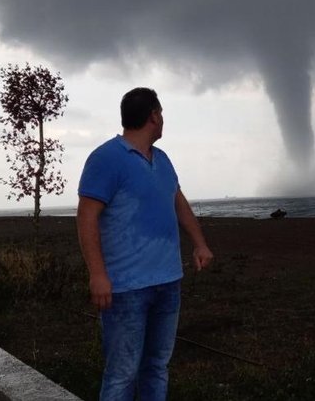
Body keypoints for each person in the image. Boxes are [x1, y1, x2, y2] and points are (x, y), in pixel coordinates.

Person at [77, 87, 214, 401]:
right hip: (126, 289)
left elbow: (178, 203)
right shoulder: (106, 158)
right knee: (122, 373)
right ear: (154, 116)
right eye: (161, 113)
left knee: (156, 366)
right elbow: (86, 217)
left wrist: (199, 244)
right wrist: (97, 274)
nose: (163, 119)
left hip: (168, 283)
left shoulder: (162, 160)